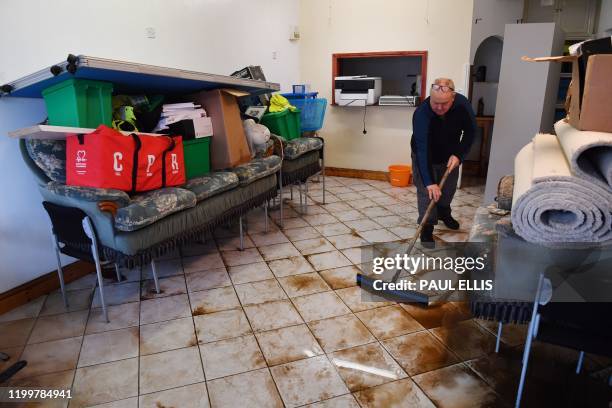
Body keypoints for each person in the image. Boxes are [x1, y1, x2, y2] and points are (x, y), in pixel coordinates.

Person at [411, 78, 476, 246]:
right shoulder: (422, 113)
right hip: (425, 154)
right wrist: (429, 182)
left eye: (444, 103)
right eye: (435, 103)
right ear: (430, 98)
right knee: (427, 193)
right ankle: (426, 227)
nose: (439, 107)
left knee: (448, 188)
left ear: (453, 97)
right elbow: (422, 149)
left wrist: (459, 155)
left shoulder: (462, 105)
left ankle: (444, 213)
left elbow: (470, 132)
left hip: (450, 154)